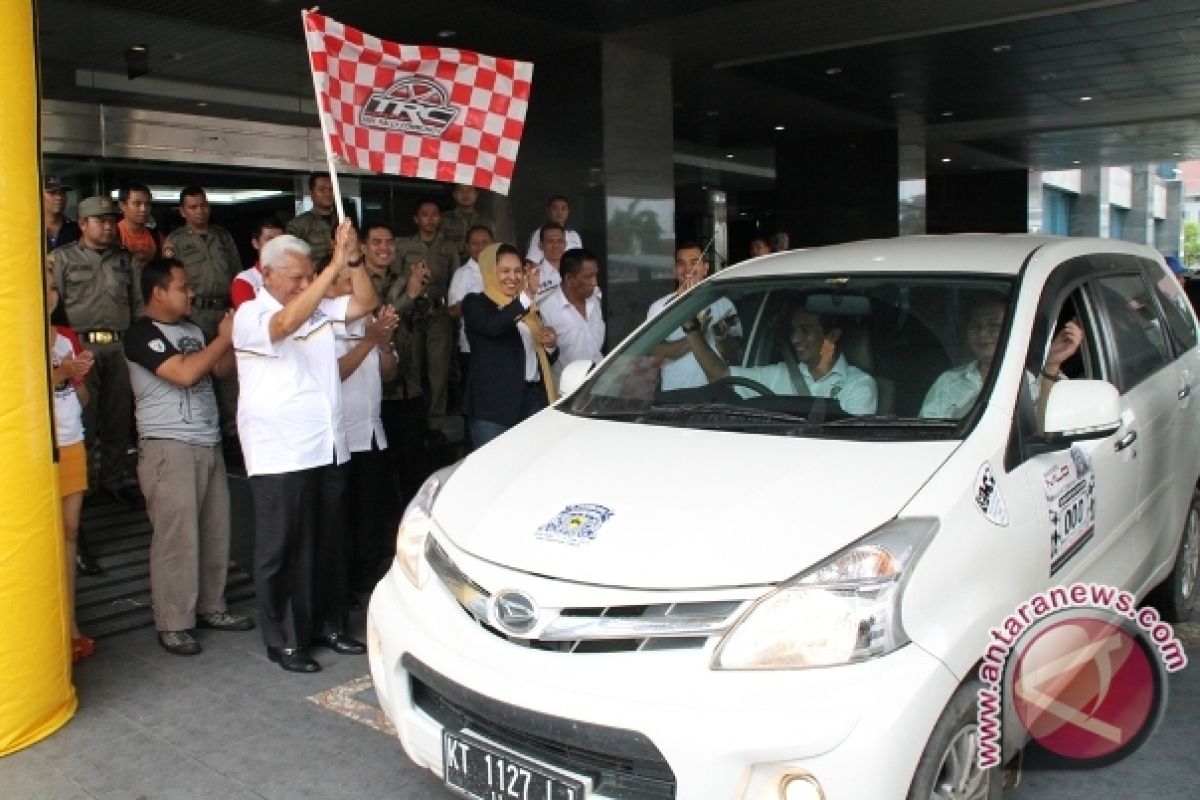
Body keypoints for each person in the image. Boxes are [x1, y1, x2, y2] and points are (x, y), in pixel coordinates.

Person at [234, 221, 376, 673]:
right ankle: (286, 638)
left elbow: (366, 302)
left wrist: (352, 260)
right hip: (281, 450)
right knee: (284, 547)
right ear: (266, 273)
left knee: (328, 542)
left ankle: (328, 625)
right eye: (295, 276)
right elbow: (286, 323)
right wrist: (333, 264)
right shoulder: (251, 314)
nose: (302, 283)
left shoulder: (317, 309)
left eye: (307, 274)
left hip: (325, 443)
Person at [124, 259, 255, 656]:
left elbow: (221, 370)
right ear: (159, 292)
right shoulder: (140, 334)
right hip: (168, 445)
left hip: (206, 439)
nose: (191, 293)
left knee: (215, 529)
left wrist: (231, 340)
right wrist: (222, 337)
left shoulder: (195, 330)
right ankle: (174, 622)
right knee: (176, 537)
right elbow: (182, 374)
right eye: (182, 287)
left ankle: (212, 606)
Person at [50, 195, 143, 505]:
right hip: (79, 347)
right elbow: (53, 307)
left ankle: (114, 480)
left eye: (110, 221)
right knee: (83, 419)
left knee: (118, 419)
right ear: (82, 224)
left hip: (118, 346)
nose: (107, 227)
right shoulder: (61, 260)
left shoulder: (125, 260)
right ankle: (84, 485)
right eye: (100, 221)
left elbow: (137, 306)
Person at [328, 269, 400, 595]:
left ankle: (368, 580)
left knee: (371, 514)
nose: (356, 291)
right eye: (348, 283)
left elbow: (389, 374)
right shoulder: (323, 326)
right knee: (343, 519)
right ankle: (345, 586)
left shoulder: (369, 322)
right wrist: (370, 339)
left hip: (373, 433)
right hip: (341, 436)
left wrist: (383, 345)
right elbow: (335, 374)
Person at [683, 297, 878, 414]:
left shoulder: (858, 386)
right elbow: (719, 375)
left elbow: (849, 449)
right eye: (793, 330)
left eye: (805, 329)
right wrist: (692, 330)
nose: (795, 338)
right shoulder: (780, 374)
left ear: (832, 336)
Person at [920, 297, 1082, 422]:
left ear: (1014, 329)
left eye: (994, 325)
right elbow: (926, 436)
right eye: (976, 327)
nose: (983, 334)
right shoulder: (948, 382)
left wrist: (1052, 364)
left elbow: (1049, 434)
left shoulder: (1045, 378)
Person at [163, 186, 242, 440]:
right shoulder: (176, 240)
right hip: (194, 314)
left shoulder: (222, 237)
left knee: (230, 375)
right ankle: (206, 431)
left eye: (203, 205)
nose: (200, 212)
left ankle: (232, 434)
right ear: (183, 211)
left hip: (223, 311)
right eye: (193, 207)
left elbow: (236, 273)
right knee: (198, 373)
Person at [47, 263, 97, 662]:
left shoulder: (65, 336)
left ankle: (70, 625)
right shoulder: (18, 334)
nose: (49, 295)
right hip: (36, 452)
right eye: (43, 287)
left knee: (69, 533)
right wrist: (61, 372)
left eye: (53, 288)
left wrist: (76, 376)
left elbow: (81, 399)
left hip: (71, 441)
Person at [462, 244, 558, 448]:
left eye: (517, 271)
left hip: (531, 397)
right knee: (494, 472)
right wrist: (526, 297)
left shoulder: (529, 309)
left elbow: (539, 357)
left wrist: (549, 345)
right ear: (489, 271)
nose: (512, 277)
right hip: (493, 406)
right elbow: (494, 326)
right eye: (505, 271)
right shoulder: (475, 303)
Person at [391, 197, 459, 433]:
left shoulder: (448, 247)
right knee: (411, 365)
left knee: (438, 370)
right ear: (416, 219)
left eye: (435, 214)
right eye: (425, 214)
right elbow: (397, 280)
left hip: (439, 312)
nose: (430, 219)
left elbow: (455, 281)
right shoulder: (404, 246)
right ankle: (415, 418)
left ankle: (435, 423)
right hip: (411, 313)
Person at [648, 242, 743, 390]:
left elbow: (736, 355)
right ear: (674, 270)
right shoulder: (660, 307)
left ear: (705, 269)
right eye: (681, 264)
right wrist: (697, 334)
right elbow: (655, 353)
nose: (688, 269)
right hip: (677, 395)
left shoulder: (724, 303)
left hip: (718, 392)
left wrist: (720, 337)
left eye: (694, 263)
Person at [538, 248, 604, 378]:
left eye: (595, 275)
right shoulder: (546, 310)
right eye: (588, 277)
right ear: (569, 279)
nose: (594, 282)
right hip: (569, 392)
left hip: (599, 382)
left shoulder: (595, 298)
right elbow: (543, 359)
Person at [446, 225, 493, 380]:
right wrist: (477, 303)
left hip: (501, 343)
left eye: (484, 242)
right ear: (467, 247)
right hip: (472, 347)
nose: (480, 247)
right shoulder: (462, 274)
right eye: (475, 243)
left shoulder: (503, 270)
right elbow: (452, 311)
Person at [230, 217, 285, 309]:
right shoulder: (245, 280)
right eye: (269, 239)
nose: (276, 244)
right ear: (255, 243)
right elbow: (251, 319)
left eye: (280, 240)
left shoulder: (295, 275)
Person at [286, 173, 337, 263]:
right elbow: (289, 255)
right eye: (321, 190)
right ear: (311, 193)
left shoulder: (343, 221)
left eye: (331, 189)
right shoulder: (298, 224)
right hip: (314, 275)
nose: (328, 193)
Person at [440, 183, 493, 262]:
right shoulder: (444, 220)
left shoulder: (485, 221)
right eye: (460, 190)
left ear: (476, 194)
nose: (465, 194)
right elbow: (439, 247)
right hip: (451, 266)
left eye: (470, 190)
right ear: (454, 194)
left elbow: (491, 247)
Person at [525, 195, 582, 266]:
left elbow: (579, 261)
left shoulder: (574, 235)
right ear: (548, 210)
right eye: (555, 208)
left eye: (563, 209)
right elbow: (532, 262)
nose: (559, 212)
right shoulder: (539, 233)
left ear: (568, 212)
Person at [117, 182, 161, 267]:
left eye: (147, 204)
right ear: (122, 205)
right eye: (137, 204)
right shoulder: (112, 234)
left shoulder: (157, 237)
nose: (143, 209)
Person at [530, 221, 568, 301]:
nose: (556, 246)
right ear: (540, 245)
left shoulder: (576, 270)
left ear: (565, 244)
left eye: (560, 241)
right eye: (550, 241)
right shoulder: (533, 276)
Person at [44, 176, 80, 252]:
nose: (59, 197)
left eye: (62, 193)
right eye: (52, 193)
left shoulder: (77, 229)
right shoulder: (29, 229)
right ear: (40, 196)